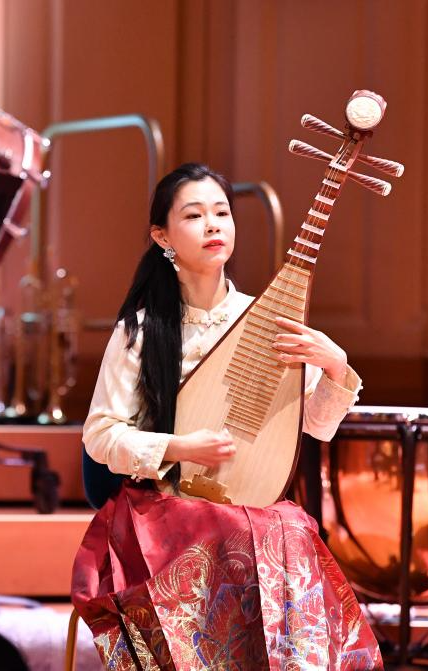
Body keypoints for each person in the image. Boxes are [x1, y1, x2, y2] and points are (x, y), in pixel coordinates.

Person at [71, 163, 382, 669]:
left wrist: (335, 366)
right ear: (162, 236)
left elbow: (315, 426)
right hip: (162, 504)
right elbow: (101, 435)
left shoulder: (265, 321)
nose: (213, 225)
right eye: (194, 215)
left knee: (290, 531)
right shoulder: (142, 330)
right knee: (230, 536)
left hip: (246, 506)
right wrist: (179, 447)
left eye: (222, 213)